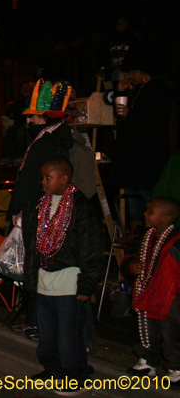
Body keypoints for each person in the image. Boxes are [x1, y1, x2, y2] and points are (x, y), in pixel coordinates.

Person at [32, 157, 106, 394]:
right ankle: (53, 369)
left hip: (69, 280)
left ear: (64, 179)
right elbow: (36, 243)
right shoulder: (42, 204)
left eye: (48, 177)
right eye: (42, 177)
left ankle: (75, 375)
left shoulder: (80, 206)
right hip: (45, 278)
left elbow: (91, 246)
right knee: (47, 333)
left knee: (69, 336)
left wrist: (86, 283)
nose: (43, 182)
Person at [9, 80, 74, 340]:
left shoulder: (45, 142)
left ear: (44, 118)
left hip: (38, 210)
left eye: (33, 116)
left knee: (37, 264)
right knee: (39, 263)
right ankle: (37, 320)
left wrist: (16, 206)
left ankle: (39, 322)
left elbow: (28, 180)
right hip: (44, 208)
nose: (29, 121)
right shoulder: (52, 138)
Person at [110, 50, 171, 228]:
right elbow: (121, 116)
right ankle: (136, 234)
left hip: (146, 157)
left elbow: (155, 121)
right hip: (131, 158)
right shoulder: (135, 91)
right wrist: (120, 92)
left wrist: (132, 114)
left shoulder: (158, 90)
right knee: (133, 199)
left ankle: (152, 234)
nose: (131, 76)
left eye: (134, 72)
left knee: (148, 198)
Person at [128, 196, 180, 384]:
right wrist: (132, 266)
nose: (145, 214)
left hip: (168, 298)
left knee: (170, 335)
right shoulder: (144, 236)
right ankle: (147, 361)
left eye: (150, 211)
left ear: (166, 218)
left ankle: (176, 367)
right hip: (146, 294)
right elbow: (130, 256)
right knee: (145, 329)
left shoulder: (176, 242)